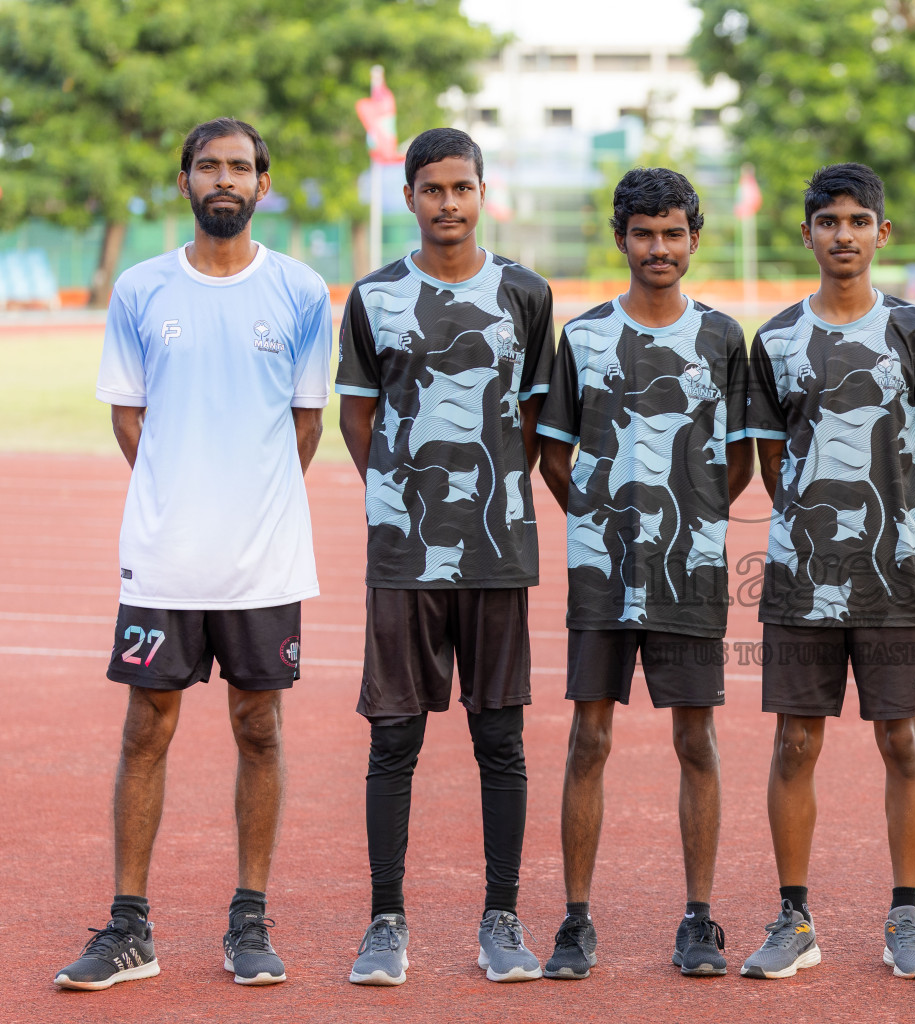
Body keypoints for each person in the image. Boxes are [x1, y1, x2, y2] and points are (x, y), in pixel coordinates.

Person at [55, 118, 331, 990]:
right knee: (147, 728)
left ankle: (248, 921)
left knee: (259, 727)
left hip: (262, 561)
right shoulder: (141, 289)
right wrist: (182, 490)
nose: (225, 179)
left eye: (240, 168)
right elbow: (127, 413)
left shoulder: (300, 291)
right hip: (165, 556)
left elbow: (307, 419)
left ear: (262, 185)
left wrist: (248, 501)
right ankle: (129, 926)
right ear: (184, 183)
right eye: (208, 166)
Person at [335, 128, 554, 986]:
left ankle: (501, 918)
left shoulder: (525, 294)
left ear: (482, 192)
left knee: (500, 738)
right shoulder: (375, 296)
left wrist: (494, 486)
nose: (448, 203)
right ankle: (385, 922)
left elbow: (534, 421)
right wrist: (398, 496)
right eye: (432, 189)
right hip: (403, 555)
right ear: (410, 197)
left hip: (497, 552)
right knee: (394, 739)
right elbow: (360, 421)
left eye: (462, 187)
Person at [739, 163, 915, 981]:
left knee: (902, 739)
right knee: (796, 743)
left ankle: (906, 916)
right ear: (807, 234)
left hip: (895, 576)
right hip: (800, 577)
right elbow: (769, 461)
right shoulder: (779, 340)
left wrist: (897, 527)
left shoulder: (914, 334)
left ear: (882, 233)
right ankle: (794, 918)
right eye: (828, 221)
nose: (844, 235)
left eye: (859, 221)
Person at [537, 168, 751, 979]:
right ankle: (576, 919)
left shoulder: (724, 338)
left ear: (694, 240)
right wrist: (599, 521)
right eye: (642, 234)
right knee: (589, 737)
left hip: (690, 573)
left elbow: (739, 461)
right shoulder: (584, 337)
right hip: (599, 571)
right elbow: (554, 455)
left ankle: (700, 918)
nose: (657, 248)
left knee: (695, 737)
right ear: (620, 239)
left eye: (672, 234)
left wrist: (690, 519)